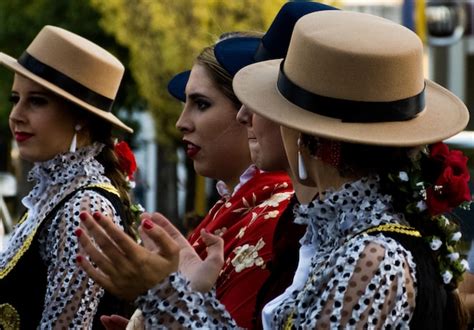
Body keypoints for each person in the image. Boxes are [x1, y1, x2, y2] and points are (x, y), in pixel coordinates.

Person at [83, 10, 471, 329]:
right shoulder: (343, 238)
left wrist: (166, 296)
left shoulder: (371, 257)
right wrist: (175, 302)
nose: (244, 115)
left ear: (313, 138)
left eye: (274, 109)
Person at [0, 25, 137, 329]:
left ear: (81, 117)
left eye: (36, 101)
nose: (16, 114)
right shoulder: (55, 193)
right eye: (15, 99)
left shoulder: (84, 208)